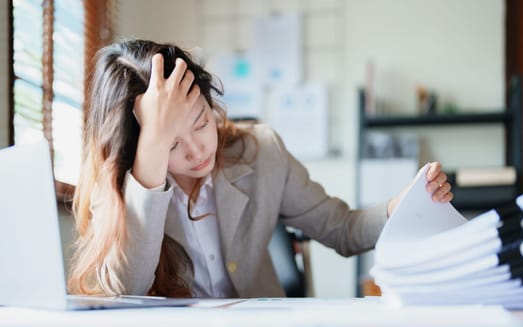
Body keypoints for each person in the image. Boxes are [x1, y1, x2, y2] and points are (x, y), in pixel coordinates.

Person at [68, 39, 453, 298]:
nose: (198, 149)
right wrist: (151, 153)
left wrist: (401, 204)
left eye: (201, 122)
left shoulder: (261, 151)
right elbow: (127, 291)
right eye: (170, 143)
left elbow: (344, 229)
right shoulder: (117, 183)